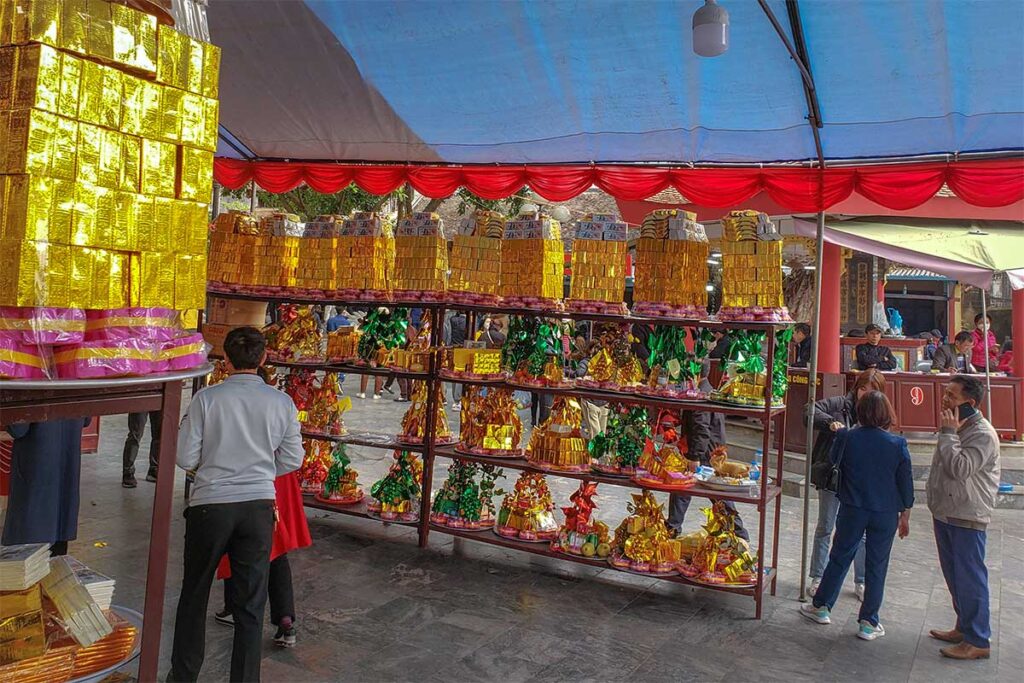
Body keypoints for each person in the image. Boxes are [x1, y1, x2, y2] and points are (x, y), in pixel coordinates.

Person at [170, 326, 304, 683]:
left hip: (210, 506)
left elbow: (185, 457)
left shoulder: (207, 400)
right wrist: (259, 471)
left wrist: (216, 466)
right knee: (250, 605)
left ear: (225, 359)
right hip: (258, 508)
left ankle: (182, 677)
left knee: (194, 595)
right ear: (263, 359)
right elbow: (292, 459)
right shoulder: (281, 402)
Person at [799, 391, 913, 642]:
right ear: (887, 413)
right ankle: (868, 622)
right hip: (885, 512)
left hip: (853, 507)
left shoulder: (846, 437)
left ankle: (822, 606)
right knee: (877, 565)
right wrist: (905, 514)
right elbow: (905, 482)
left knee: (840, 556)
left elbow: (833, 462)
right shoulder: (898, 444)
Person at [926, 374, 1000, 660]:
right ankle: (964, 625)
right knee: (953, 574)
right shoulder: (957, 426)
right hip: (946, 510)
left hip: (968, 513)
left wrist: (947, 434)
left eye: (951, 397)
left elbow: (959, 468)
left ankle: (978, 638)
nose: (945, 400)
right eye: (945, 394)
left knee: (970, 577)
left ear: (970, 403)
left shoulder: (981, 434)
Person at [805, 369, 887, 599]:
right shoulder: (840, 404)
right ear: (856, 388)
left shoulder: (878, 413)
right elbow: (810, 410)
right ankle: (817, 576)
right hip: (833, 475)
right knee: (825, 526)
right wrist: (830, 423)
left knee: (859, 532)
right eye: (863, 389)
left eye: (872, 391)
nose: (866, 395)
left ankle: (861, 580)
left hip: (860, 479)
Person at [214, 470, 311, 648]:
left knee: (237, 537)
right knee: (275, 543)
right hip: (277, 475)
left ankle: (234, 607)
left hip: (250, 476)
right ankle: (285, 619)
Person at [668, 364, 749, 540]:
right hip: (710, 450)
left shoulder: (701, 395)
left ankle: (739, 533)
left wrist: (694, 456)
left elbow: (701, 428)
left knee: (718, 495)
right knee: (683, 490)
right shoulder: (709, 391)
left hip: (705, 453)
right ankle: (673, 526)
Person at [2, 418, 90, 557]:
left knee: (27, 556)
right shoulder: (79, 394)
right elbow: (86, 419)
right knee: (57, 556)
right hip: (66, 468)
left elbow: (18, 429)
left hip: (35, 470)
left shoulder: (29, 393)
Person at [121, 411, 161, 488]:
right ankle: (128, 471)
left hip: (159, 399)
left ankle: (154, 468)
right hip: (141, 400)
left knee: (159, 434)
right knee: (136, 433)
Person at [443, 310, 468, 409]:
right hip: (464, 351)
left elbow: (448, 336)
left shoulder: (452, 319)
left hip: (453, 350)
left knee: (455, 374)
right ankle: (458, 399)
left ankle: (456, 400)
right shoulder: (469, 322)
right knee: (462, 376)